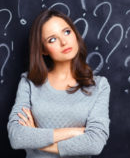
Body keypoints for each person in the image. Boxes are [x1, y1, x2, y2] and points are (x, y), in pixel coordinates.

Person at [7, 9, 111, 158]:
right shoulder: (29, 82)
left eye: (67, 32)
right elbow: (17, 137)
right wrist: (75, 131)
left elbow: (95, 144)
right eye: (52, 39)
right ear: (43, 50)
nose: (64, 42)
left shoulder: (99, 85)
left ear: (75, 34)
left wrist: (36, 140)